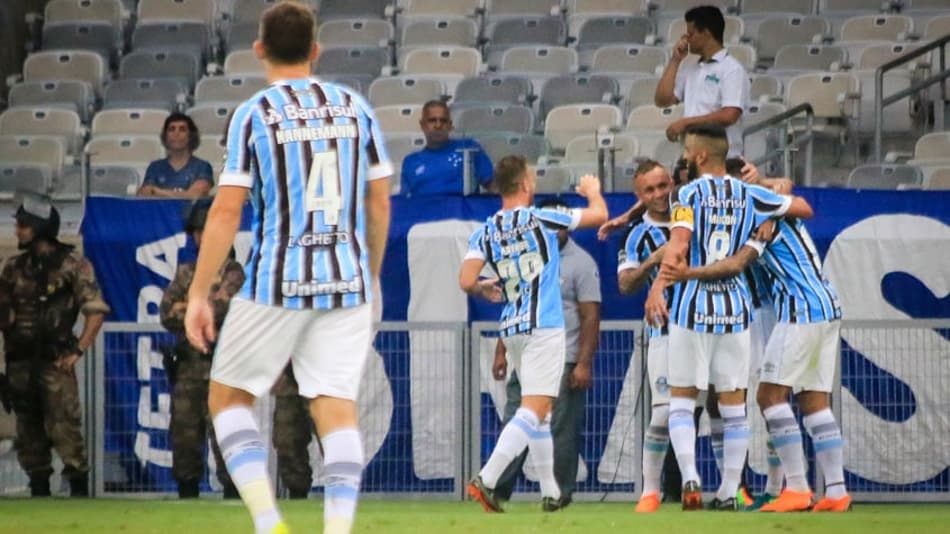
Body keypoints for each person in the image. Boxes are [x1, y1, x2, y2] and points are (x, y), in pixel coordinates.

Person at [183, 3, 392, 534]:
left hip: (277, 278)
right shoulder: (355, 107)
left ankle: (268, 520)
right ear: (315, 50)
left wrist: (200, 294)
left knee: (227, 398)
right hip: (348, 281)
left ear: (259, 50)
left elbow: (227, 209)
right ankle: (337, 529)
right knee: (335, 407)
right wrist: (370, 273)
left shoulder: (253, 113)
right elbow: (378, 203)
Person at [643, 123, 814, 510]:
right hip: (735, 310)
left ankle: (690, 476)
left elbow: (679, 245)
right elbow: (804, 208)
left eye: (688, 149)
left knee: (683, 401)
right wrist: (769, 215)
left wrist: (657, 287)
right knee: (734, 405)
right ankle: (728, 491)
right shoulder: (750, 193)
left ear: (701, 156)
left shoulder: (686, 194)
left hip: (692, 307)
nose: (685, 155)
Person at [663, 185, 850, 513]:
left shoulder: (762, 220)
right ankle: (836, 491)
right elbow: (793, 198)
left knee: (769, 397)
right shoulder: (774, 210)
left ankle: (797, 487)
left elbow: (735, 264)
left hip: (799, 308)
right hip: (828, 304)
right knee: (814, 399)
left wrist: (686, 273)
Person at [459, 155, 607, 513]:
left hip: (511, 326)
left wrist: (484, 289)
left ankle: (551, 491)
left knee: (539, 412)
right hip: (544, 324)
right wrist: (594, 191)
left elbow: (465, 280)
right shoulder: (542, 217)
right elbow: (599, 216)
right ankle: (488, 479)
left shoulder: (486, 229)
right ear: (525, 184)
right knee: (534, 408)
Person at [492, 197, 602, 507]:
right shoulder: (529, 257)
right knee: (516, 418)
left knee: (560, 429)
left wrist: (583, 363)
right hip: (526, 353)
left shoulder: (581, 263)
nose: (553, 230)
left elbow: (591, 316)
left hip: (562, 357)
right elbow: (514, 303)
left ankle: (559, 493)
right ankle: (497, 489)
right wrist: (501, 352)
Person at [0, 193, 109, 497]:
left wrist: (78, 351)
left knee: (66, 433)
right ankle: (38, 494)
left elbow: (96, 311)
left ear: (39, 227)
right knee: (28, 438)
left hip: (55, 362)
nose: (17, 231)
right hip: (19, 364)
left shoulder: (74, 265)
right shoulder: (13, 267)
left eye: (23, 225)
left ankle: (78, 495)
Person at [160, 199, 244, 499]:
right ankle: (187, 494)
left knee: (226, 438)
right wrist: (196, 308)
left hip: (224, 370)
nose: (201, 237)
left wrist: (191, 305)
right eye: (197, 231)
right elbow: (166, 314)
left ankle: (234, 497)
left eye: (206, 230)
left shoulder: (234, 272)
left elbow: (222, 306)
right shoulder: (186, 272)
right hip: (188, 370)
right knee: (184, 437)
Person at [616, 160, 675, 512]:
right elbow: (624, 284)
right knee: (664, 412)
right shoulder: (636, 235)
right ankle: (650, 491)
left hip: (705, 325)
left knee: (722, 406)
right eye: (649, 190)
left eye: (662, 186)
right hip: (663, 332)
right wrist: (653, 259)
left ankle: (731, 489)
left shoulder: (693, 217)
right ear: (639, 196)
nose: (658, 195)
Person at [655, 5, 749, 157]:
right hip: (694, 157)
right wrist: (675, 60)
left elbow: (730, 115)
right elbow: (663, 100)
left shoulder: (732, 69)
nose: (686, 40)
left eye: (690, 34)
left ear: (705, 34)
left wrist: (686, 123)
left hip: (723, 158)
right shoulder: (692, 69)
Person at [399, 100, 494, 196]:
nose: (438, 125)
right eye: (432, 120)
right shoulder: (411, 162)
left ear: (450, 125)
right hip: (426, 210)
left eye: (443, 121)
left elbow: (494, 187)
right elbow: (404, 203)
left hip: (463, 210)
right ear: (422, 125)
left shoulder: (469, 149)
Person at [137, 112, 214, 199]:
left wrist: (157, 191)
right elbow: (145, 195)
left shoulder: (202, 167)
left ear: (191, 136)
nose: (176, 133)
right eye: (171, 129)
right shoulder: (155, 167)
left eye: (182, 129)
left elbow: (194, 195)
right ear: (165, 136)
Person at [271, 365, 314, 500]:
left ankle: (342, 493)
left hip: (321, 377)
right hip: (288, 378)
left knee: (332, 439)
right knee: (286, 440)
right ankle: (297, 495)